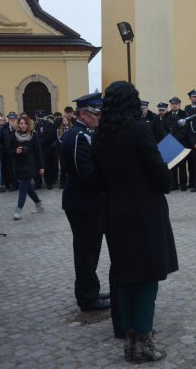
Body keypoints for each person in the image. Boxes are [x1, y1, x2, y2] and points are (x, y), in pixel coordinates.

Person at [91, 81, 178, 363]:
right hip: (145, 212)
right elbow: (161, 178)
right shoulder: (140, 130)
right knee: (147, 278)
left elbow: (101, 180)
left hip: (116, 212)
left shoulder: (100, 135)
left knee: (125, 277)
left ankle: (130, 341)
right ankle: (144, 341)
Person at [60, 93, 111, 313]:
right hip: (83, 203)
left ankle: (90, 289)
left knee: (90, 251)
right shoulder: (78, 136)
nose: (99, 118)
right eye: (96, 114)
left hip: (88, 202)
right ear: (83, 114)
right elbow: (86, 173)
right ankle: (87, 299)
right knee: (86, 253)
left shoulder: (85, 133)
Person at [9, 116, 44, 220]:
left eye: (25, 123)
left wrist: (41, 166)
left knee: (22, 188)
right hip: (18, 165)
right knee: (27, 187)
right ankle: (39, 205)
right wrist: (16, 151)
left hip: (30, 165)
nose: (23, 125)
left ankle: (18, 211)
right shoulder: (13, 136)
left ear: (28, 125)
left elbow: (39, 152)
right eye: (21, 123)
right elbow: (8, 150)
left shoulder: (34, 136)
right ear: (18, 125)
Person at [162, 97, 188, 191]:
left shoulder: (184, 115)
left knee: (182, 166)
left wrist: (175, 139)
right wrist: (169, 139)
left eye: (176, 104)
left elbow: (185, 130)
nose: (174, 105)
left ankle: (183, 185)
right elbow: (163, 129)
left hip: (180, 143)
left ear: (179, 105)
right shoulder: (166, 115)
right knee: (172, 165)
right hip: (170, 144)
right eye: (172, 104)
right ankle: (173, 184)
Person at [1, 112, 19, 191]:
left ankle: (18, 184)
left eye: (14, 118)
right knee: (10, 169)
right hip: (7, 152)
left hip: (17, 151)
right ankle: (12, 184)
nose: (12, 120)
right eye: (11, 118)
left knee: (17, 169)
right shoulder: (4, 128)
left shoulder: (19, 128)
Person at [56, 115, 71, 189]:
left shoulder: (72, 129)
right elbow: (59, 140)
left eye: (66, 120)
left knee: (70, 167)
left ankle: (71, 182)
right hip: (62, 151)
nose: (65, 122)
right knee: (63, 167)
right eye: (64, 120)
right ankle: (62, 182)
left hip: (70, 151)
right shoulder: (59, 130)